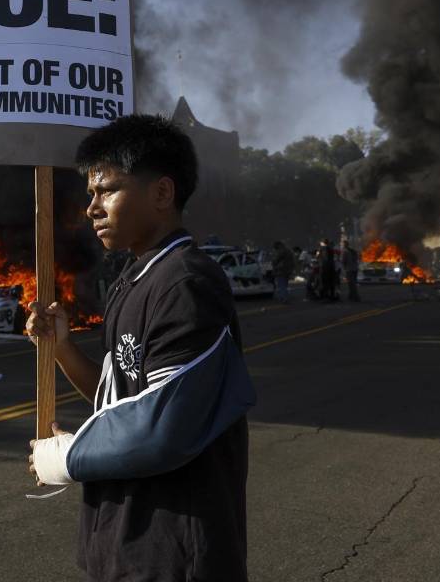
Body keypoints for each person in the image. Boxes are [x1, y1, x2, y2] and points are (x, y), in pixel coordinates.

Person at [25, 114, 256, 581]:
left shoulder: (186, 282)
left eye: (107, 190)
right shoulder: (134, 279)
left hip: (173, 551)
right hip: (121, 541)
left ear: (162, 193)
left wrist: (66, 458)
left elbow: (163, 422)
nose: (92, 207)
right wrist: (62, 349)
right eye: (90, 193)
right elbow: (120, 399)